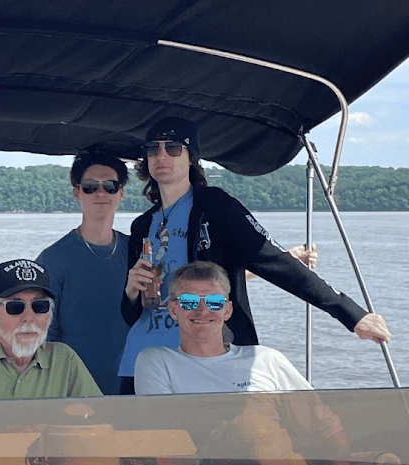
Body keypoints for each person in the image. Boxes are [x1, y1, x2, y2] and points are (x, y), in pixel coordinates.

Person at [118, 116, 390, 393]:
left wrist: (351, 314)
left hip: (205, 361)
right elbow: (131, 315)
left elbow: (277, 263)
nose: (161, 156)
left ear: (191, 158)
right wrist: (130, 291)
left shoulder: (218, 209)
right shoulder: (141, 226)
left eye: (173, 148)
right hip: (140, 361)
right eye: (153, 149)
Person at [135, 262, 350, 465]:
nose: (202, 310)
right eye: (189, 302)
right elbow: (162, 437)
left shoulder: (265, 359)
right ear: (173, 309)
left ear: (227, 310)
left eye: (214, 302)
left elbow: (326, 431)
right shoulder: (156, 362)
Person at [0, 259, 101, 399]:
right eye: (15, 307)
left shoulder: (64, 359)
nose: (29, 317)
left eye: (40, 306)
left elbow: (97, 416)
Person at [36, 150, 130, 394]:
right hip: (74, 387)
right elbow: (44, 334)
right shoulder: (53, 259)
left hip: (132, 385)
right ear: (76, 193)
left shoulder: (136, 251)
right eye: (90, 186)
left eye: (110, 186)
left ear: (121, 193)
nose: (100, 193)